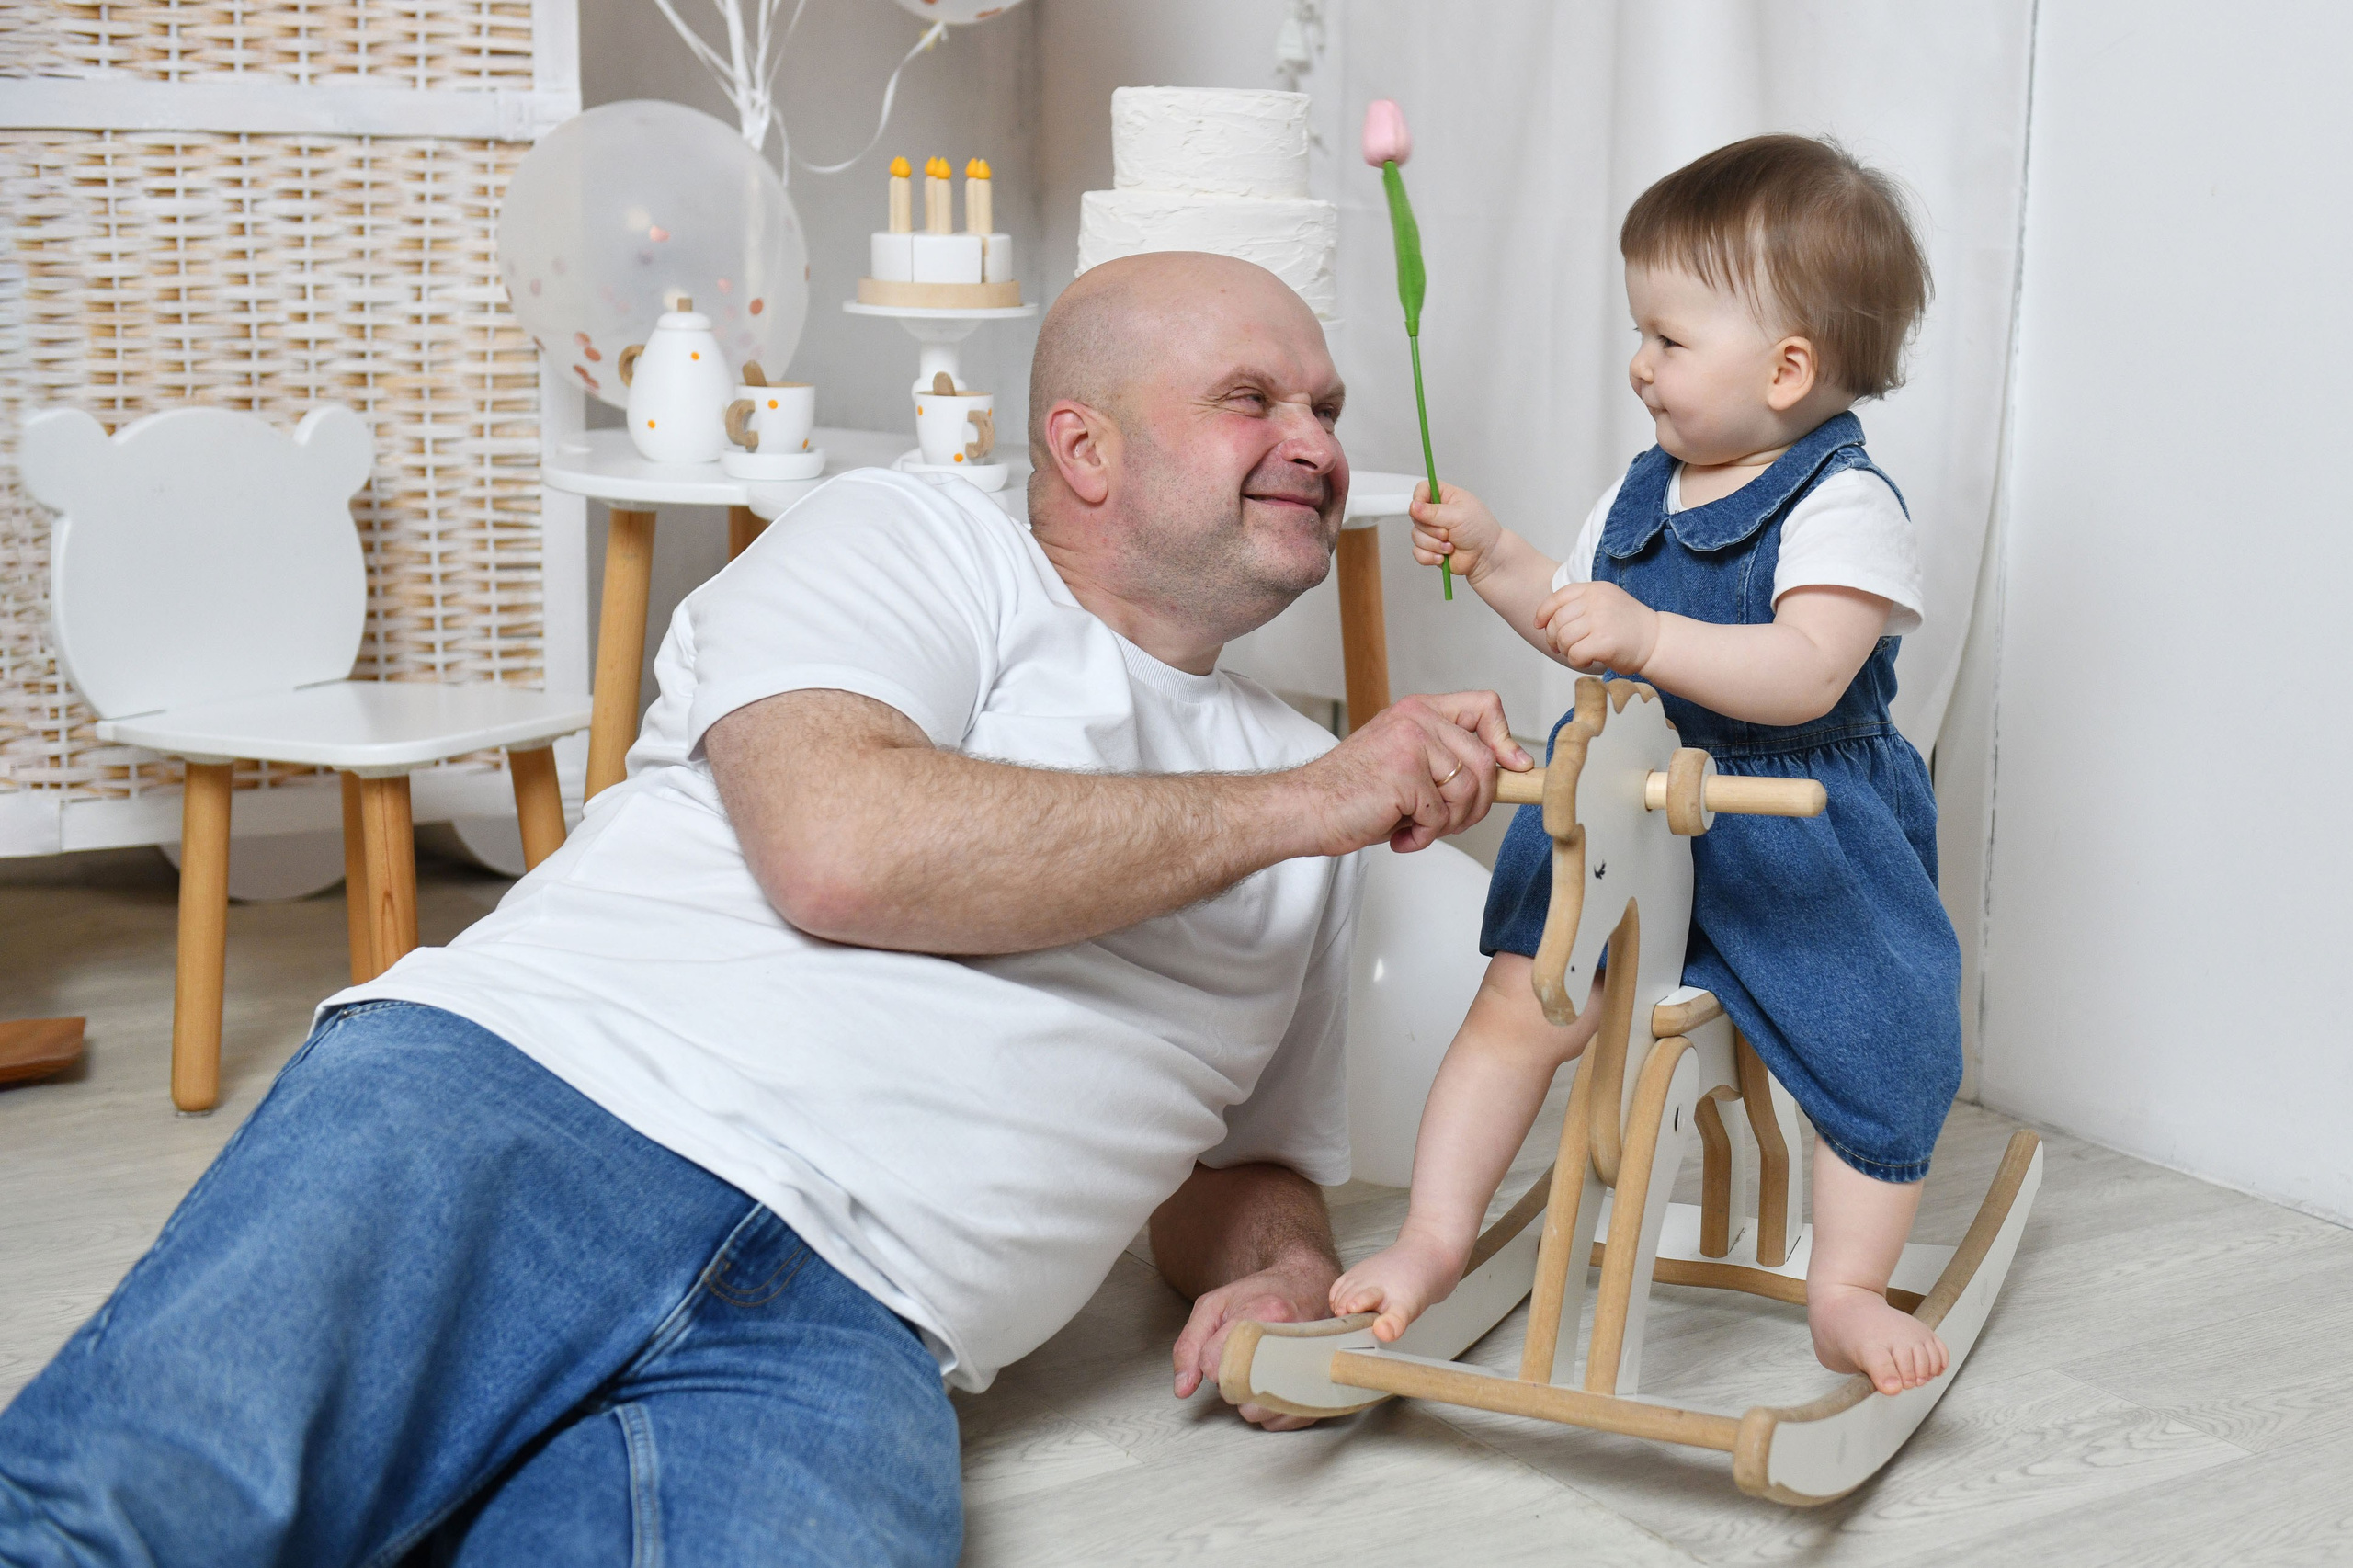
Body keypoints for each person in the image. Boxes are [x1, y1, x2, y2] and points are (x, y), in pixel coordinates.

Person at [0, 251, 1529, 1565]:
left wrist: (1275, 1260)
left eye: (1329, 409)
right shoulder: (914, 542)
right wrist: (1312, 801)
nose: (1317, 443)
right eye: (1254, 398)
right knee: (119, 1523)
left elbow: (1242, 1159)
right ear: (1085, 446)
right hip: (535, 1112)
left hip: (860, 1331)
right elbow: (841, 847)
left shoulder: (1309, 811)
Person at [1328, 135, 1962, 1397]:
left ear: (1789, 368)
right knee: (1519, 1005)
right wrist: (1501, 554)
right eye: (1641, 332)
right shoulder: (1642, 492)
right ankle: (1435, 1236)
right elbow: (1579, 611)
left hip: (1789, 824)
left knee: (1884, 1032)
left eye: (1668, 339)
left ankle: (1843, 1283)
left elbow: (1808, 671)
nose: (1640, 364)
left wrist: (1655, 636)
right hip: (1620, 799)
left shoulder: (1842, 502)